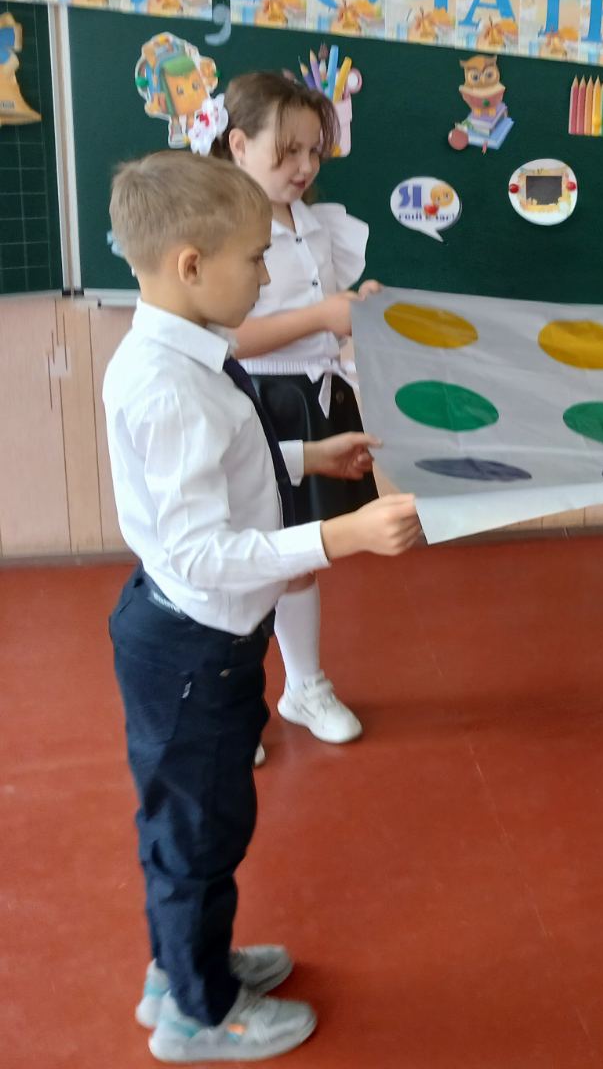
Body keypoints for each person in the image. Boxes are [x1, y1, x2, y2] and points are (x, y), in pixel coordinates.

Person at [103, 151, 421, 1061]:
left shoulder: (187, 356)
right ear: (191, 265)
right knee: (196, 836)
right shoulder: (169, 387)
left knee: (199, 826)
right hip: (193, 649)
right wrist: (340, 536)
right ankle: (197, 1015)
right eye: (255, 259)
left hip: (202, 640)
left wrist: (306, 459)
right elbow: (202, 551)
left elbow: (224, 470)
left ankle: (182, 967)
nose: (265, 274)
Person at [201, 72, 380, 750]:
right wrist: (322, 315)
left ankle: (304, 686)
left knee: (299, 557)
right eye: (288, 152)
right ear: (239, 145)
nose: (305, 167)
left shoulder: (314, 225)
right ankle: (228, 705)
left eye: (314, 152)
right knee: (247, 564)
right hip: (254, 402)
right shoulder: (220, 226)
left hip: (313, 401)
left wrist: (357, 311)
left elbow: (328, 321)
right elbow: (228, 338)